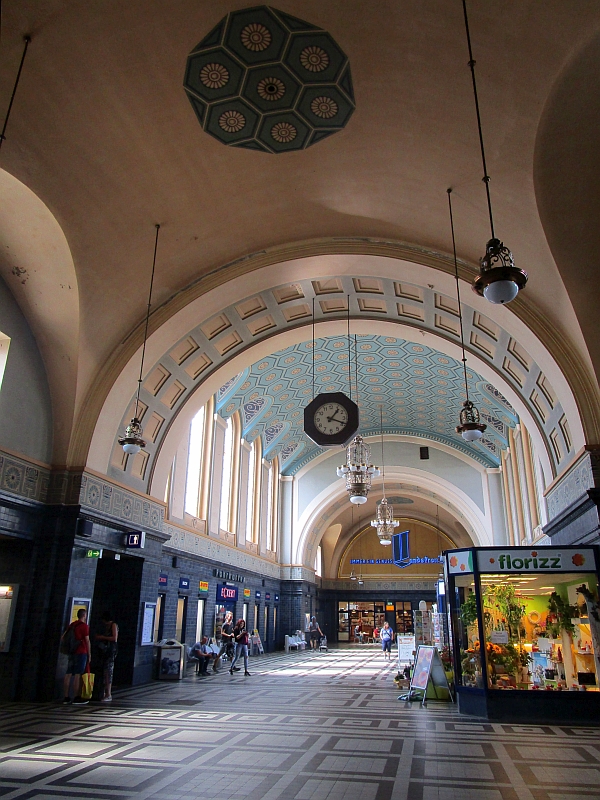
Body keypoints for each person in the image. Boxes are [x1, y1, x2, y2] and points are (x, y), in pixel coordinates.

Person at [61, 608, 91, 705]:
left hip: (72, 652)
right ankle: (76, 697)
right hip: (81, 651)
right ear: (84, 615)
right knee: (78, 674)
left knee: (68, 674)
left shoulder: (72, 625)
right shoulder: (84, 626)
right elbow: (87, 640)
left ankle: (66, 697)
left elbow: (63, 637)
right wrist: (89, 654)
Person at [95, 611, 118, 702]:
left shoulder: (113, 625)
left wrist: (102, 637)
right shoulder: (107, 626)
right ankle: (104, 692)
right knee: (105, 671)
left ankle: (108, 694)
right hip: (105, 651)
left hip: (110, 651)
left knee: (108, 671)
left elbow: (114, 638)